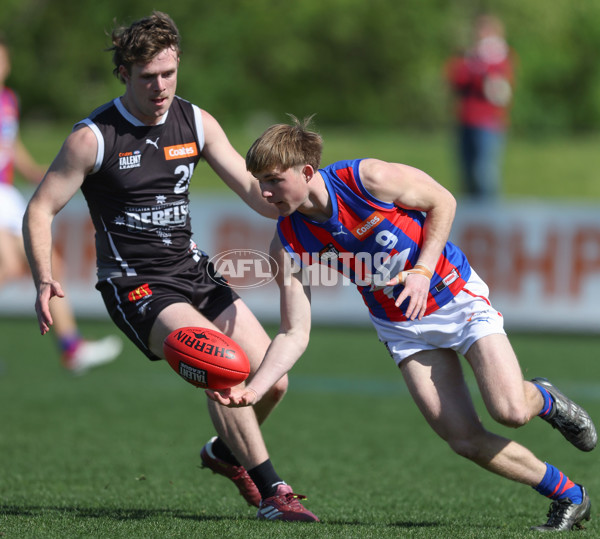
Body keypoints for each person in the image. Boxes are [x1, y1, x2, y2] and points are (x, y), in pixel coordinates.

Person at [208, 116, 597, 532]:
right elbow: (293, 332)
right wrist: (255, 387)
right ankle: (570, 495)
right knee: (463, 438)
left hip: (455, 296)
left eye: (273, 180)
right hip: (401, 328)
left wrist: (423, 270)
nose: (264, 193)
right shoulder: (288, 240)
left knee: (511, 411)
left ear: (306, 172)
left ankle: (545, 398)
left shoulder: (367, 179)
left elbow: (442, 201)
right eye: (259, 181)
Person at [22, 13, 318, 522]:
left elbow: (258, 194)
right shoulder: (94, 138)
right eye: (146, 77)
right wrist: (44, 276)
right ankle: (275, 493)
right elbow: (41, 208)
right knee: (221, 369)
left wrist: (313, 204)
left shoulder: (197, 122)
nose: (159, 87)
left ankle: (225, 453)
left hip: (193, 272)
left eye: (167, 74)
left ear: (178, 64)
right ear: (124, 74)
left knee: (273, 379)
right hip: (136, 286)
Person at [0, 35, 122, 374]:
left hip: (6, 194)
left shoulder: (8, 99)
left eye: (3, 59)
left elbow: (10, 145)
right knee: (9, 265)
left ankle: (72, 348)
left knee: (49, 264)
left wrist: (34, 172)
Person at [445, 14, 515, 200]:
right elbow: (456, 78)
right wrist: (475, 67)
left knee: (484, 173)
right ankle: (472, 220)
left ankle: (490, 220)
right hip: (466, 119)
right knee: (466, 172)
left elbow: (495, 87)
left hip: (488, 123)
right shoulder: (467, 55)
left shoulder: (501, 56)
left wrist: (478, 68)